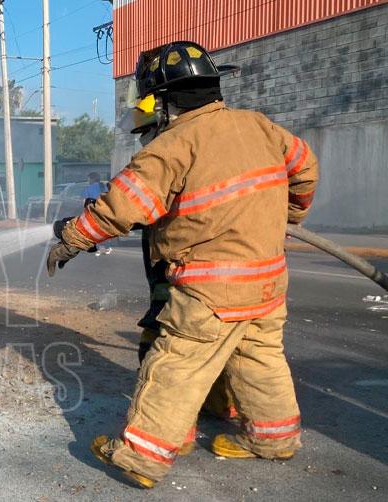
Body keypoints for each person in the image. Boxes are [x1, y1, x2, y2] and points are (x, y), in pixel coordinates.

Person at [46, 41, 318, 488]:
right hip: (269, 278)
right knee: (259, 355)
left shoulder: (173, 146)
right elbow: (305, 169)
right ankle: (274, 440)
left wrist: (73, 238)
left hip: (210, 287)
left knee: (176, 364)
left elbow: (120, 207)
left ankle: (141, 457)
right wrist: (286, 215)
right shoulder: (261, 126)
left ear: (164, 101)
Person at [81, 172, 112, 255]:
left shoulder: (88, 188)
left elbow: (84, 202)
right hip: (104, 211)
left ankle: (98, 248)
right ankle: (107, 247)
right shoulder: (103, 186)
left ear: (92, 179)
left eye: (89, 178)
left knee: (95, 230)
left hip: (93, 212)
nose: (88, 180)